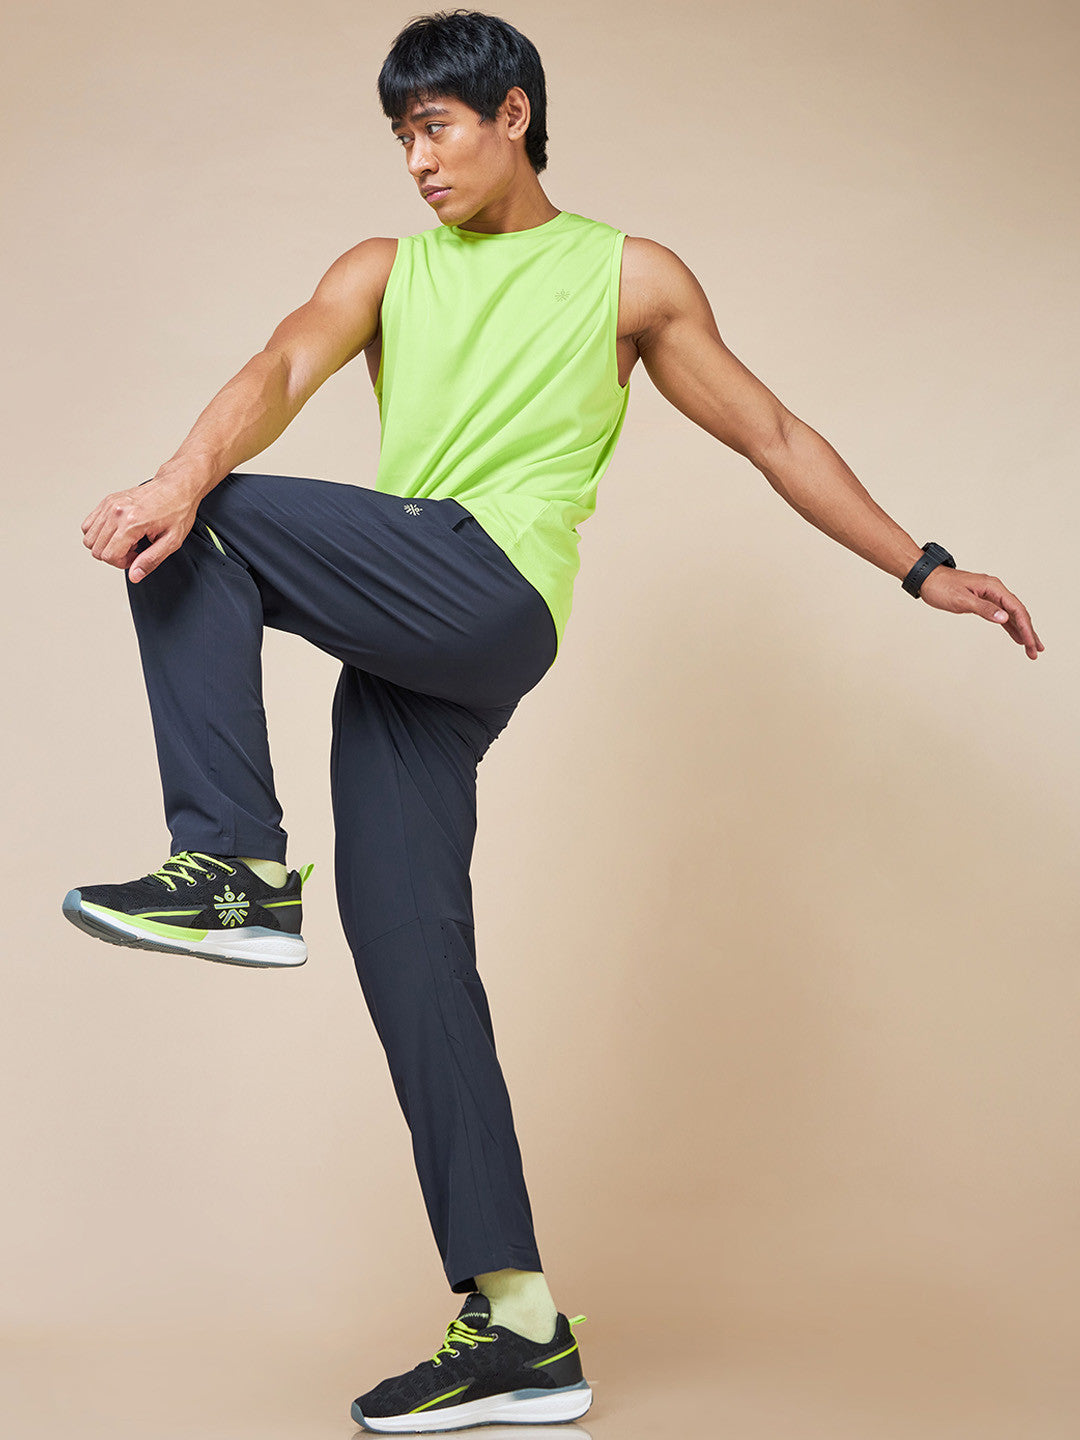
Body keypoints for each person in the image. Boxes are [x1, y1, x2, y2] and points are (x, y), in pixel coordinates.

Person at [64, 9, 1045, 1434]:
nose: (417, 161)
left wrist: (921, 566)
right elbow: (278, 370)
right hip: (418, 638)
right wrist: (182, 465)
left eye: (437, 128)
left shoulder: (626, 275)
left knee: (208, 521)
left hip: (492, 579)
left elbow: (771, 434)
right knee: (412, 962)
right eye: (400, 137)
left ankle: (228, 862)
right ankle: (518, 1326)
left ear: (512, 112)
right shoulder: (382, 270)